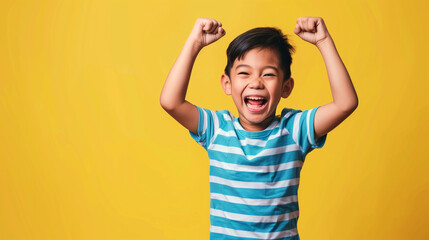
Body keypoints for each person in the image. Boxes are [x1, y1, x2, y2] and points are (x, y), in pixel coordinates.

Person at [160, 17, 358, 240]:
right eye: (244, 73)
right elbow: (171, 102)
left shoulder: (294, 130)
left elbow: (345, 103)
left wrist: (323, 41)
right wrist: (195, 43)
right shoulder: (216, 129)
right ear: (227, 84)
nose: (256, 82)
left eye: (269, 74)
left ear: (286, 87)